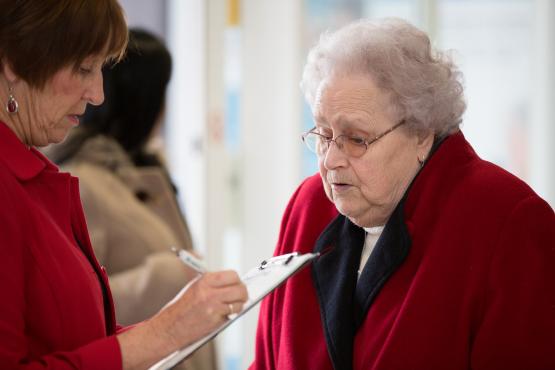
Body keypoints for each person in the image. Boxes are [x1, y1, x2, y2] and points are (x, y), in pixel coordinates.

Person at [251, 18, 555, 370]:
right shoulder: (308, 207)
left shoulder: (507, 220)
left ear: (421, 134)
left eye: (356, 139)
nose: (331, 158)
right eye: (322, 133)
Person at [0, 1, 247, 369]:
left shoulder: (36, 179)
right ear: (16, 62)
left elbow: (80, 340)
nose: (97, 94)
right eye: (84, 68)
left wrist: (177, 322)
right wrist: (163, 333)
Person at [45, 28, 217, 370]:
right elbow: (70, 307)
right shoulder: (81, 182)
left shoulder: (147, 169)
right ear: (141, 100)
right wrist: (164, 277)